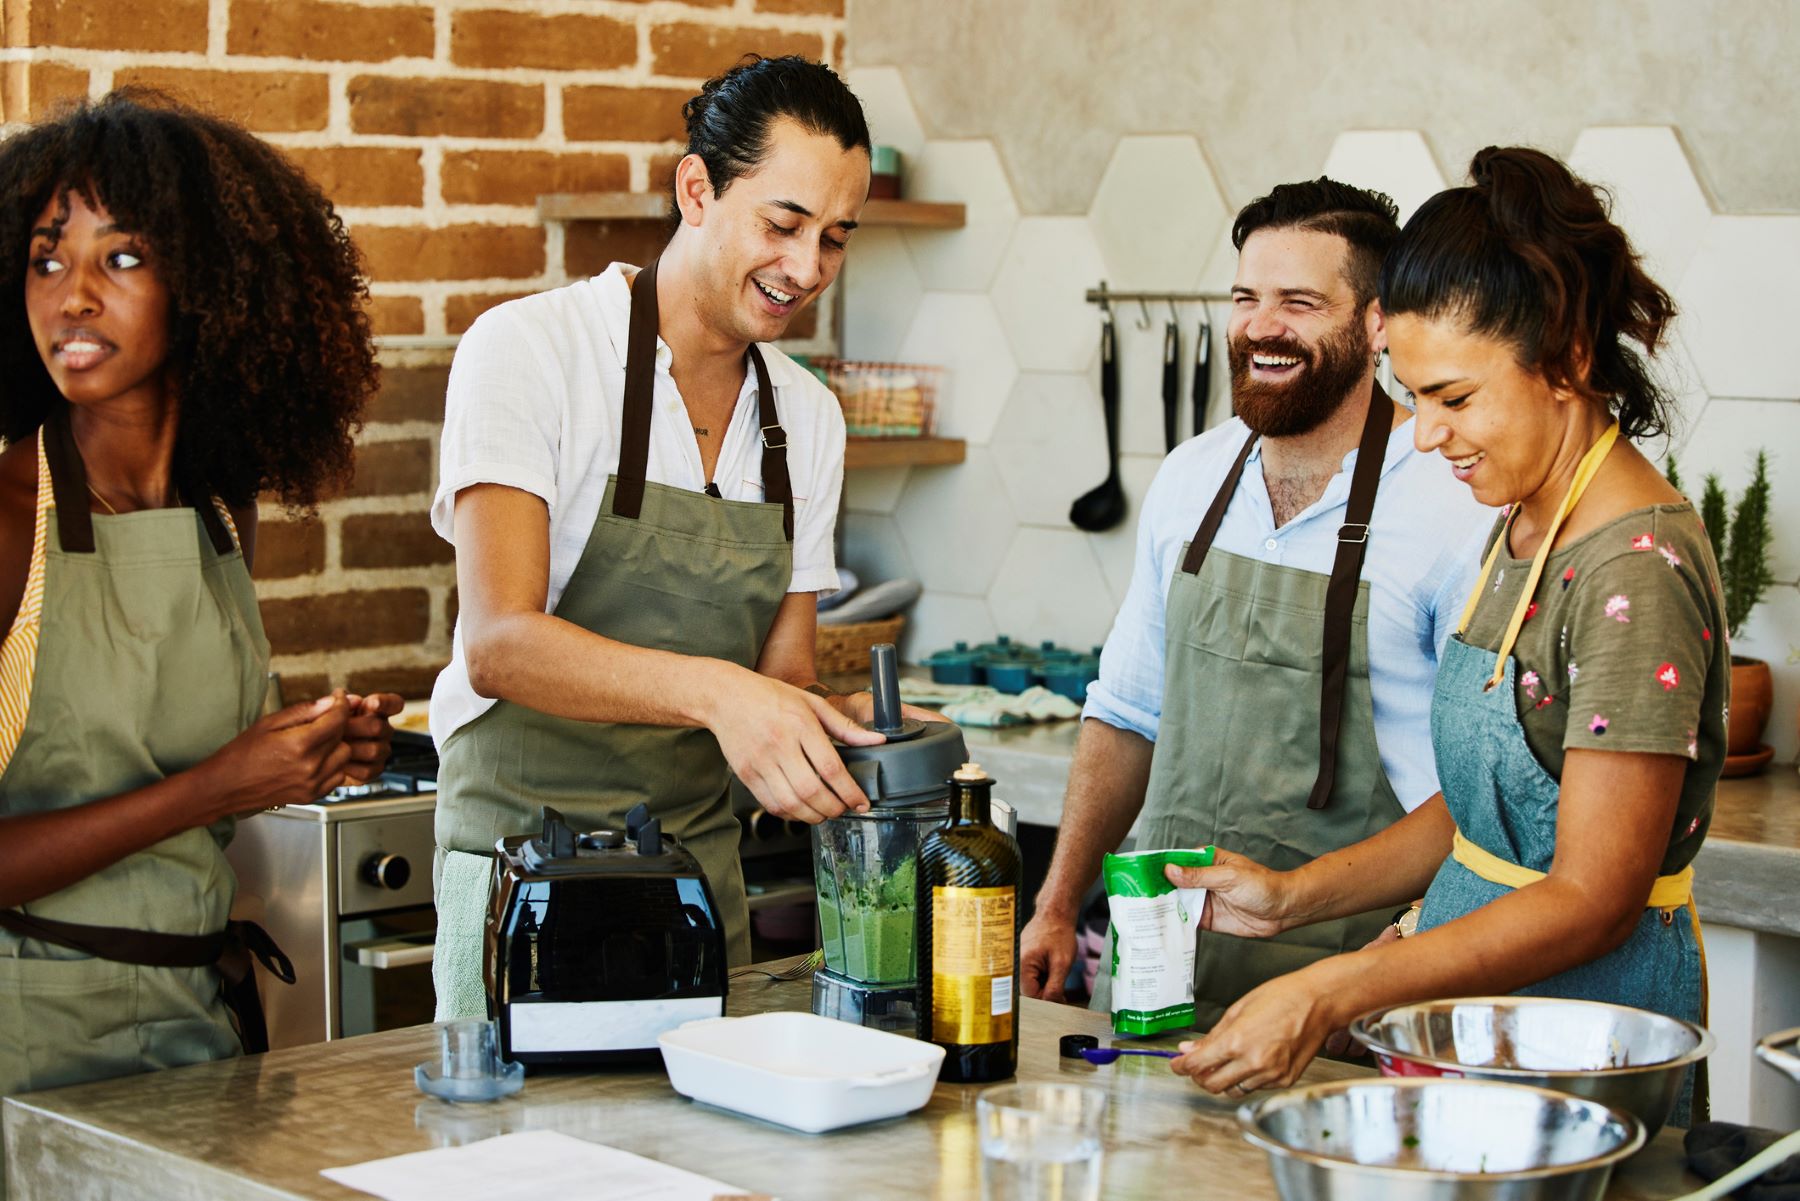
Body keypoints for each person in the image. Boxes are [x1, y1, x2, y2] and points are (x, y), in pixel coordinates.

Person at [1165, 148, 1724, 1126]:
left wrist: (1335, 987)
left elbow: (1593, 895)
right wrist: (1295, 899)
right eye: (1412, 394)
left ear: (1569, 361)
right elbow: (1484, 811)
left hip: (1578, 1043)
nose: (1425, 434)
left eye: (1454, 398)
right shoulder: (1526, 521)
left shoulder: (1635, 571)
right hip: (1474, 1027)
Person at [429, 55, 914, 1009]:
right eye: (782, 224)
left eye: (836, 238)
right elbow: (498, 644)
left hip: (697, 895)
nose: (806, 268)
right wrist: (719, 695)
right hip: (521, 885)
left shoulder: (807, 419)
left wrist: (858, 734)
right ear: (696, 188)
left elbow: (781, 675)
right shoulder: (531, 352)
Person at [0, 90, 399, 1158]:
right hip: (30, 1052)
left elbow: (204, 772)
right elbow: (198, 786)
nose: (72, 296)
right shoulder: (6, 515)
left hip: (198, 1039)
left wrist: (305, 757)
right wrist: (221, 784)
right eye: (47, 258)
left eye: (121, 257)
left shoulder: (219, 514)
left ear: (211, 287)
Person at [1019, 179, 1493, 1029]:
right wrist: (1057, 902)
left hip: (1348, 979)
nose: (1261, 326)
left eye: (1300, 302)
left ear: (1377, 321)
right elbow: (1126, 713)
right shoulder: (1190, 477)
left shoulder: (1452, 508)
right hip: (1158, 965)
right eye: (1246, 298)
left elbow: (1478, 794)